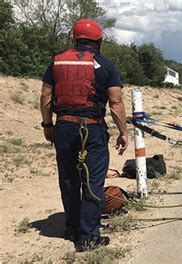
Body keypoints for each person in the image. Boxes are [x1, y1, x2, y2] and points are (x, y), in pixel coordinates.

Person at [40, 19, 128, 252]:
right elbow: (116, 101)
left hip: (64, 128)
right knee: (93, 181)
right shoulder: (106, 66)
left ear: (75, 39)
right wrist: (123, 132)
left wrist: (47, 125)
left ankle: (71, 227)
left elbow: (46, 98)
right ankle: (88, 236)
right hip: (93, 129)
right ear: (98, 41)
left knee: (69, 180)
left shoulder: (56, 61)